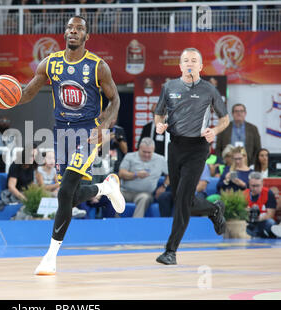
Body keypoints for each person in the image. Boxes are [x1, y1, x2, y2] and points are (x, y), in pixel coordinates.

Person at [0, 15, 125, 275]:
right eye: (70, 28)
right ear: (65, 33)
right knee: (70, 196)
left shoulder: (98, 66)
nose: (73, 32)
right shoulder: (50, 63)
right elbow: (26, 93)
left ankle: (50, 256)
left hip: (87, 133)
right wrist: (2, 100)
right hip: (61, 133)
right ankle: (104, 188)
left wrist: (103, 127)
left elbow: (115, 100)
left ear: (86, 36)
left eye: (79, 29)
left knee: (64, 192)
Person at [154, 48, 230, 265]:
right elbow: (159, 112)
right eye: (185, 60)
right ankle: (214, 209)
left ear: (200, 66)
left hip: (197, 148)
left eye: (194, 60)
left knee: (182, 201)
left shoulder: (209, 90)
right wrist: (160, 124)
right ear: (179, 66)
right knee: (182, 200)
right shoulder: (169, 87)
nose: (189, 63)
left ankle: (171, 251)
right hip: (175, 146)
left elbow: (225, 118)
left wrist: (214, 131)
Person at [118, 137, 168, 218]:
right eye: (144, 152)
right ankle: (115, 223)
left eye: (149, 152)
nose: (146, 155)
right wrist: (136, 174)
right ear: (139, 148)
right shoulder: (130, 156)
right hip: (125, 191)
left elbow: (170, 175)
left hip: (144, 194)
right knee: (113, 197)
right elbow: (121, 174)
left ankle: (135, 223)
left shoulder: (160, 159)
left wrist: (164, 186)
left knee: (144, 198)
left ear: (153, 150)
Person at [244, 172, 278, 238]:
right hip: (249, 223)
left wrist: (257, 219)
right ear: (249, 184)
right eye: (253, 186)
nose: (255, 188)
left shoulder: (268, 193)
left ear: (262, 184)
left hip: (263, 222)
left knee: (270, 222)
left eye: (258, 185)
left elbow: (270, 215)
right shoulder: (244, 194)